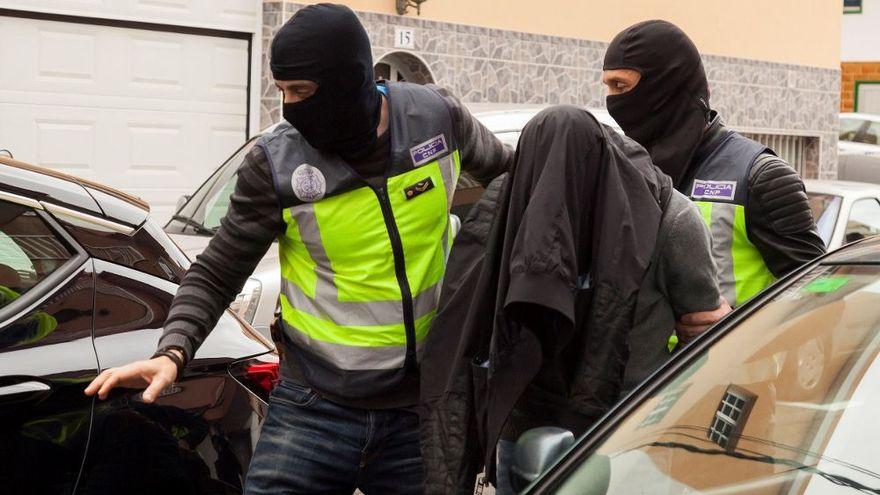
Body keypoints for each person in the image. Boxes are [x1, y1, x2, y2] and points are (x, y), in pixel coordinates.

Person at [85, 4, 512, 494]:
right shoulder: (276, 163)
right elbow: (218, 269)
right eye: (282, 91)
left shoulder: (437, 119)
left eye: (301, 92)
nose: (289, 107)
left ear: (349, 81)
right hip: (314, 407)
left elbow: (513, 184)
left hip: (421, 409)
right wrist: (173, 350)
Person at [419, 106, 729, 494]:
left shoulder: (667, 218)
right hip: (522, 423)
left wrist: (661, 412)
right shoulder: (510, 203)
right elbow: (463, 320)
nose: (552, 205)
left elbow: (704, 327)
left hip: (625, 433)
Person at [602, 20, 825, 321]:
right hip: (650, 367)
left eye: (621, 86)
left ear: (664, 88)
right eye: (609, 87)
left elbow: (822, 294)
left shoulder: (760, 176)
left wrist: (729, 325)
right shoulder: (626, 169)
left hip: (734, 366)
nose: (614, 102)